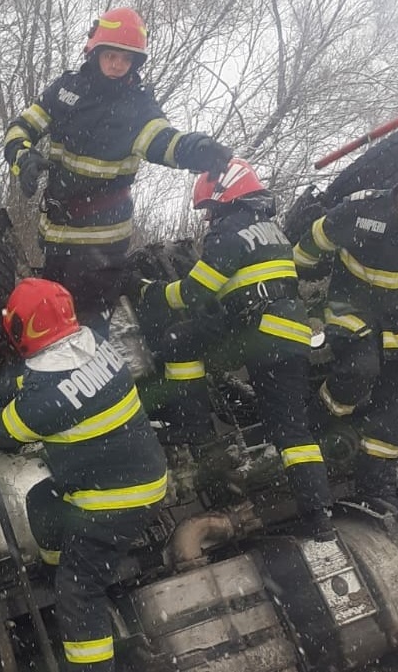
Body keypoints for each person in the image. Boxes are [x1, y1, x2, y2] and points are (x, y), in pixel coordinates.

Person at [0, 278, 167, 672]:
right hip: (135, 477)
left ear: (22, 328)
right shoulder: (94, 345)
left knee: (77, 592)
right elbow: (27, 380)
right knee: (42, 502)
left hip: (113, 502)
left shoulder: (43, 401)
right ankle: (69, 565)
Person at [4, 6, 233, 337]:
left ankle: (94, 378)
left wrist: (197, 149)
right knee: (52, 326)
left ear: (135, 64)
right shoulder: (65, 91)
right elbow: (19, 128)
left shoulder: (138, 108)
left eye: (126, 59)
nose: (117, 65)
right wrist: (22, 159)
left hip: (102, 248)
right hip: (55, 239)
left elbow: (165, 142)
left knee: (87, 332)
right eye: (111, 55)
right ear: (95, 51)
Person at [138, 158, 335, 540]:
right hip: (292, 336)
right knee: (292, 432)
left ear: (226, 197)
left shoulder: (229, 232)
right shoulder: (272, 231)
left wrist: (152, 293)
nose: (208, 219)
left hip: (257, 334)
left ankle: (196, 434)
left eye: (210, 209)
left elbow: (194, 291)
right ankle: (319, 514)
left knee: (179, 345)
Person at [293, 172, 398, 514]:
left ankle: (375, 486)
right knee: (360, 369)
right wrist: (290, 284)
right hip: (351, 310)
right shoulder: (363, 210)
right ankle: (311, 433)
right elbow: (311, 244)